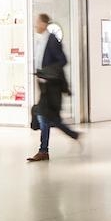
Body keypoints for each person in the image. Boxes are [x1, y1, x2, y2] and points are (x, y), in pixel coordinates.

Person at [27, 14, 79, 162]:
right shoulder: (40, 41)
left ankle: (43, 150)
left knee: (44, 115)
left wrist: (47, 72)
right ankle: (71, 136)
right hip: (44, 85)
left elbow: (63, 60)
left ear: (44, 24)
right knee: (48, 116)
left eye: (38, 22)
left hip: (52, 85)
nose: (35, 25)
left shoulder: (52, 40)